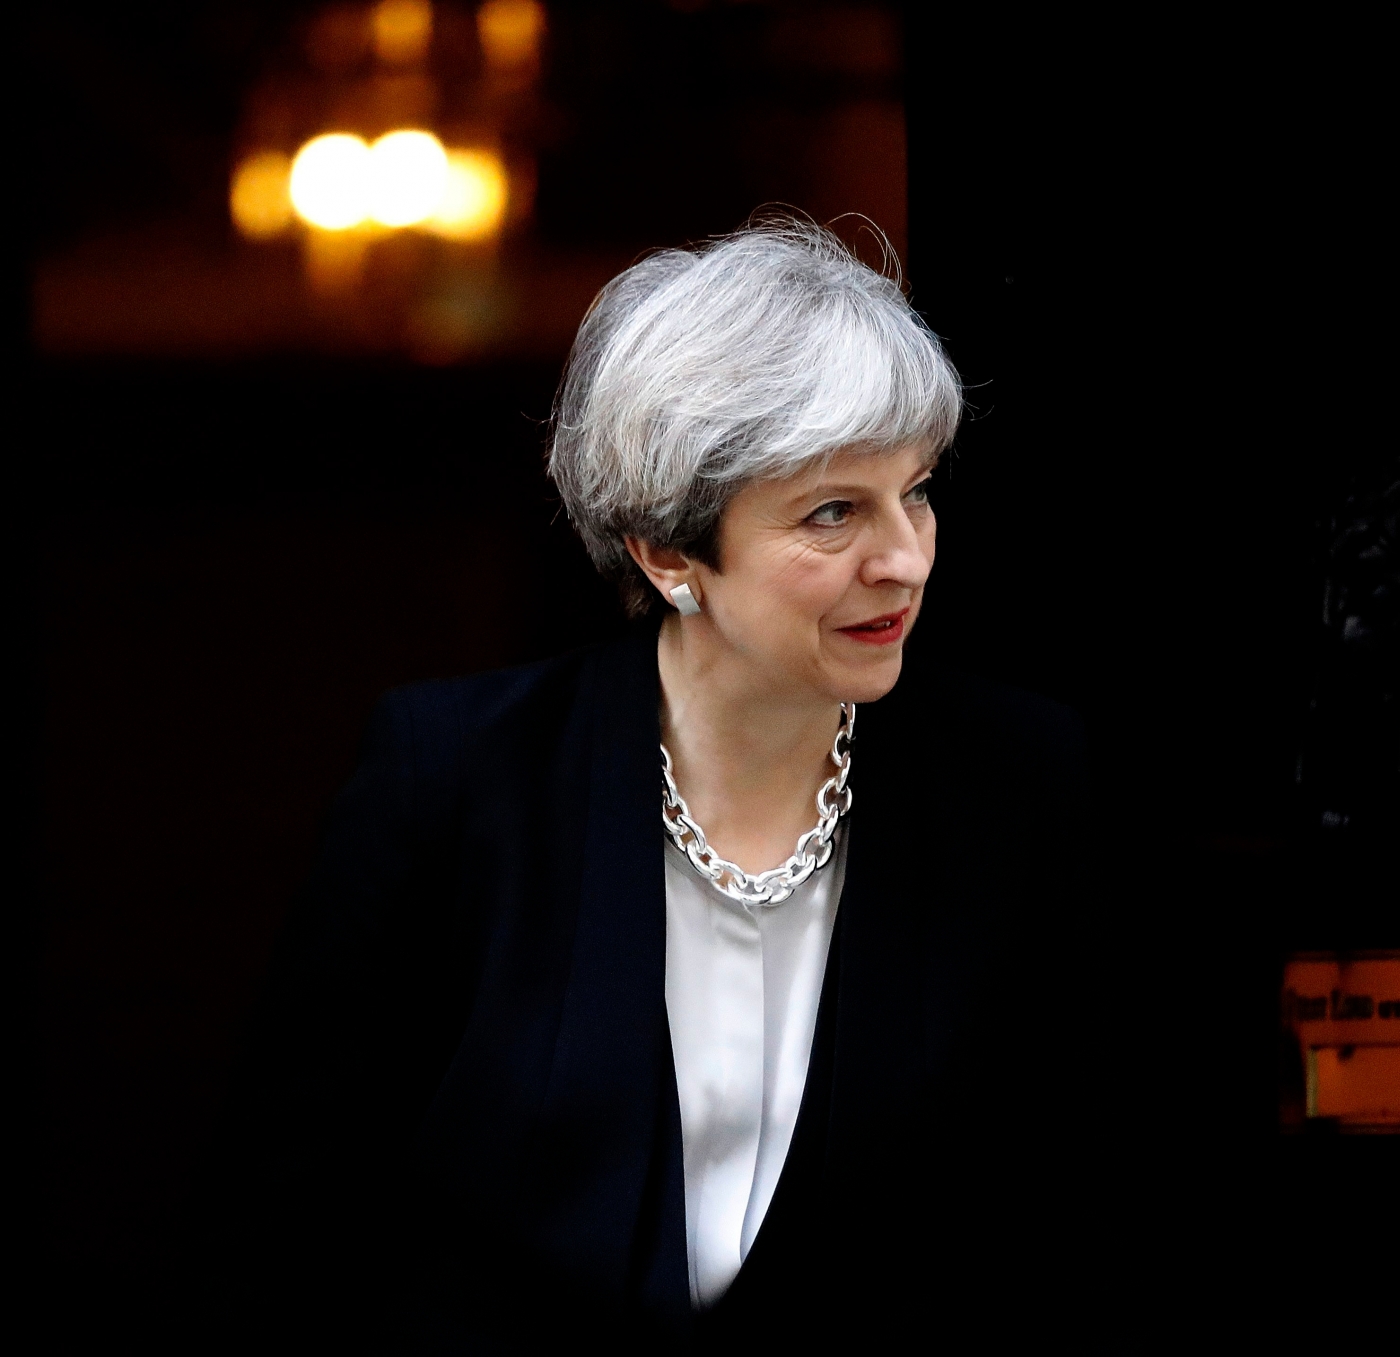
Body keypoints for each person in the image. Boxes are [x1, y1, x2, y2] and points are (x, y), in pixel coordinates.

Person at [208, 221, 1088, 1348]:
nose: (904, 557)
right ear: (665, 553)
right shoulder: (458, 781)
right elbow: (278, 1221)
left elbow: (1073, 1215)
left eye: (912, 493)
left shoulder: (1017, 784)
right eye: (833, 511)